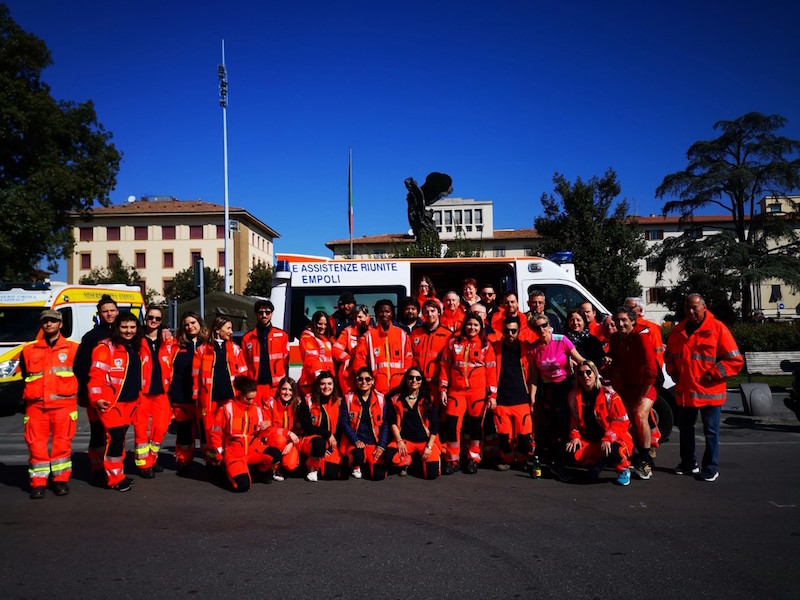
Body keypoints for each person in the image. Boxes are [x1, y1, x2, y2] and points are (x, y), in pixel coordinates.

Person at [665, 293, 743, 482]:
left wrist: (714, 374)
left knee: (711, 431)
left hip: (709, 391)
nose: (690, 311)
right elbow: (669, 356)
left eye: (694, 307)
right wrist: (673, 371)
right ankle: (688, 463)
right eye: (687, 307)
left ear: (704, 307)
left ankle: (710, 467)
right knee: (685, 429)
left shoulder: (717, 329)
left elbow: (735, 360)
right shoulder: (678, 330)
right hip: (686, 391)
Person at [20, 309, 79, 499]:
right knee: (35, 446)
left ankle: (60, 481)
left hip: (64, 406)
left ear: (60, 324)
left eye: (53, 321)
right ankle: (38, 483)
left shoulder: (73, 349)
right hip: (36, 406)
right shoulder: (28, 350)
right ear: (42, 324)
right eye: (45, 321)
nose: (49, 324)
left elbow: (81, 374)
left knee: (62, 444)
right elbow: (24, 375)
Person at [87, 312, 144, 492]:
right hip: (111, 403)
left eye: (132, 327)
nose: (128, 331)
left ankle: (111, 473)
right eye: (124, 327)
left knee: (118, 440)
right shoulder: (105, 348)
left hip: (129, 403)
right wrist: (97, 399)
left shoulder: (133, 347)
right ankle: (115, 478)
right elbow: (96, 375)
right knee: (116, 439)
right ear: (117, 328)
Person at [439, 314, 498, 474]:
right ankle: (452, 460)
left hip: (477, 392)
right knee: (452, 425)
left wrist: (492, 395)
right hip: (456, 391)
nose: (472, 328)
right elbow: (444, 366)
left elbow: (492, 371)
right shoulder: (453, 343)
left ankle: (474, 458)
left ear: (481, 328)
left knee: (476, 427)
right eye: (469, 324)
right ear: (464, 325)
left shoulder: (485, 345)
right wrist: (443, 389)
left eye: (476, 325)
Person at [527, 314, 585, 476]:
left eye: (544, 325)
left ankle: (568, 455)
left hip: (565, 385)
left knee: (566, 420)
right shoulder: (534, 349)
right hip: (547, 387)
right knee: (551, 423)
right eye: (537, 327)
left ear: (549, 325)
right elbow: (534, 376)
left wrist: (590, 377)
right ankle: (554, 456)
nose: (541, 329)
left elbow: (580, 360)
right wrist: (532, 398)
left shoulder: (561, 340)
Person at [605, 306, 658, 480]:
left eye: (624, 320)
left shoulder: (641, 336)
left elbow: (651, 368)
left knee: (639, 414)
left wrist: (643, 395)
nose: (620, 324)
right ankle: (640, 453)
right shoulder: (615, 338)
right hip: (627, 386)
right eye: (617, 320)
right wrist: (608, 361)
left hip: (646, 386)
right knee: (627, 419)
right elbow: (613, 359)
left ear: (632, 321)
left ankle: (646, 460)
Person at [565, 360, 634, 486]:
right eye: (581, 374)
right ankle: (598, 462)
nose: (585, 376)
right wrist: (575, 437)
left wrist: (608, 438)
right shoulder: (574, 396)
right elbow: (574, 421)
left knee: (612, 451)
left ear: (595, 374)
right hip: (592, 440)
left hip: (615, 438)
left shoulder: (609, 395)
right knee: (571, 450)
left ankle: (624, 469)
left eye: (588, 372)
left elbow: (622, 422)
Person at [208, 376, 282, 492]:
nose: (251, 401)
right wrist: (219, 457)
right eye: (248, 399)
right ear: (239, 394)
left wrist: (267, 426)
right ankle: (226, 471)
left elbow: (263, 435)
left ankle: (260, 472)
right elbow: (215, 434)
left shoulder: (257, 409)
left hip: (253, 449)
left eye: (253, 398)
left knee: (275, 455)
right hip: (234, 453)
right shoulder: (227, 409)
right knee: (242, 486)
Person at [192, 315, 249, 465]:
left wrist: (243, 393)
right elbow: (195, 376)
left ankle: (228, 459)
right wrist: (196, 396)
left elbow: (243, 373)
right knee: (209, 431)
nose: (231, 332)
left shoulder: (235, 349)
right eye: (228, 328)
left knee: (229, 429)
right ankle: (212, 461)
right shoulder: (202, 350)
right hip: (209, 398)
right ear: (217, 330)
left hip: (230, 397)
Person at [74, 294, 118, 479]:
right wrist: (87, 393)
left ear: (117, 312)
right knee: (98, 432)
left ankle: (114, 466)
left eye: (112, 310)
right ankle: (98, 467)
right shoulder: (91, 337)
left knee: (117, 433)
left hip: (119, 394)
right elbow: (80, 367)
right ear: (99, 314)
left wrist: (164, 329)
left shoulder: (126, 332)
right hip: (97, 394)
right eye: (105, 311)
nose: (109, 314)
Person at [134, 304, 175, 478]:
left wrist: (166, 329)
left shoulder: (167, 340)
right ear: (145, 318)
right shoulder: (136, 339)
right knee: (141, 429)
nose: (153, 321)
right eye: (150, 317)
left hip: (161, 392)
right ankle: (144, 464)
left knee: (161, 427)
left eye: (158, 318)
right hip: (142, 392)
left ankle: (152, 457)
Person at [492, 317, 535, 472]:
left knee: (524, 434)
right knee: (504, 434)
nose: (510, 334)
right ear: (502, 331)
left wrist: (532, 396)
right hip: (501, 398)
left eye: (513, 331)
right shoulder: (495, 349)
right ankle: (507, 458)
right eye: (506, 331)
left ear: (518, 331)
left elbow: (534, 373)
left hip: (521, 398)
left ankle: (523, 459)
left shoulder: (526, 349)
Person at [168, 311, 208, 475]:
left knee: (206, 432)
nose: (190, 327)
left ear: (200, 323)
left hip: (203, 397)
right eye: (186, 324)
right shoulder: (177, 345)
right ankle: (184, 461)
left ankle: (211, 462)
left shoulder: (209, 344)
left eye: (193, 323)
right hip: (182, 396)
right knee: (184, 432)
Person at [386, 366, 441, 479]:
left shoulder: (428, 399)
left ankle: (417, 461)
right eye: (411, 377)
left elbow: (435, 425)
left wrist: (429, 446)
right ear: (406, 379)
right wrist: (399, 441)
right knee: (388, 456)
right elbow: (392, 422)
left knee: (431, 475)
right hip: (405, 441)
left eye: (418, 378)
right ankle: (408, 460)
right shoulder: (396, 399)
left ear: (422, 381)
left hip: (425, 441)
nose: (414, 380)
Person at [339, 367, 389, 480]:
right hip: (354, 442)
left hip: (373, 442)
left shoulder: (381, 399)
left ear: (372, 381)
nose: (364, 382)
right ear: (356, 381)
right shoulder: (348, 399)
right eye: (360, 379)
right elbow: (344, 423)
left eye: (367, 379)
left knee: (378, 475)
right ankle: (355, 464)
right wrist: (355, 440)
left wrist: (381, 445)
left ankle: (366, 463)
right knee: (357, 457)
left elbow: (385, 424)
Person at [353, 299, 412, 394]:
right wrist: (367, 380)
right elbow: (359, 360)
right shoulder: (368, 336)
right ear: (376, 313)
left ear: (392, 314)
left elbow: (409, 358)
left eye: (387, 311)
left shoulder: (402, 334)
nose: (384, 314)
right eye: (381, 311)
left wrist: (405, 380)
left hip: (400, 388)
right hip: (377, 389)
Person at [241, 299, 290, 405]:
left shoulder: (282, 336)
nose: (264, 315)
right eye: (261, 312)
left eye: (267, 312)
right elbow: (244, 363)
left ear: (271, 314)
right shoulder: (247, 338)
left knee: (274, 413)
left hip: (275, 385)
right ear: (256, 314)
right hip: (255, 386)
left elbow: (286, 361)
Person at [297, 371, 343, 481]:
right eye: (323, 384)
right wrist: (328, 435)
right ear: (318, 385)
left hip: (331, 442)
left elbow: (341, 428)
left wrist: (330, 448)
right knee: (319, 443)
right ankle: (312, 467)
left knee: (330, 474)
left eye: (329, 384)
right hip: (311, 440)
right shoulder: (307, 401)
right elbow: (307, 428)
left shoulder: (339, 402)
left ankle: (320, 463)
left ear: (334, 385)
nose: (326, 387)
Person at [261, 376, 303, 479]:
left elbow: (300, 430)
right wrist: (287, 433)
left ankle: (282, 465)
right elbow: (266, 430)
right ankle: (273, 467)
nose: (287, 393)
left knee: (290, 464)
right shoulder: (270, 404)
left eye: (290, 390)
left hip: (290, 442)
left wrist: (291, 443)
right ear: (279, 390)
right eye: (284, 389)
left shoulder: (297, 405)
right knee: (280, 440)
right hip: (273, 441)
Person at [332, 303, 371, 394]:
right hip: (350, 373)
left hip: (368, 371)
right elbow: (336, 349)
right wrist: (346, 358)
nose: (357, 320)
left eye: (360, 317)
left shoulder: (372, 332)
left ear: (367, 317)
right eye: (355, 317)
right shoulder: (348, 331)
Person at [299, 310, 335, 395]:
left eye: (325, 324)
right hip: (313, 382)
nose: (323, 327)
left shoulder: (326, 338)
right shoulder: (307, 336)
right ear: (314, 323)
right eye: (320, 324)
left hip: (325, 381)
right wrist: (320, 377)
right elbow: (311, 359)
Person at [625, 297, 665, 370]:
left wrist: (656, 372)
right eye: (625, 307)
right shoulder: (621, 326)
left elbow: (658, 352)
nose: (626, 310)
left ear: (640, 310)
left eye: (629, 308)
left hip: (645, 370)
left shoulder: (651, 328)